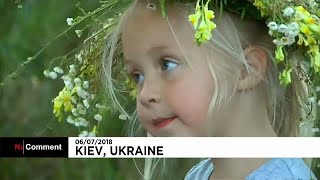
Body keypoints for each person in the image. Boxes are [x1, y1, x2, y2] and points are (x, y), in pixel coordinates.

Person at [103, 0, 318, 179]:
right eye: (137, 76)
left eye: (167, 64)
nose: (145, 94)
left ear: (245, 70)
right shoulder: (199, 175)